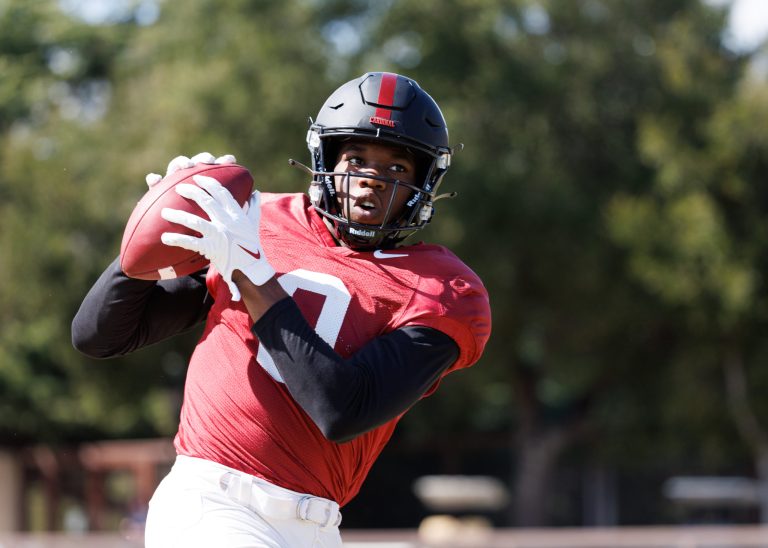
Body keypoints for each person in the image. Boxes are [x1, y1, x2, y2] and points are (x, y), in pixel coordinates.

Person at [72, 72, 491, 547]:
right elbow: (100, 335)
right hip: (214, 502)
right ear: (326, 158)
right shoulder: (250, 221)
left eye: (396, 168)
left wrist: (252, 273)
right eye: (355, 159)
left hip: (316, 525)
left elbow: (343, 409)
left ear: (425, 180)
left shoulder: (446, 289)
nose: (370, 182)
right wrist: (157, 223)